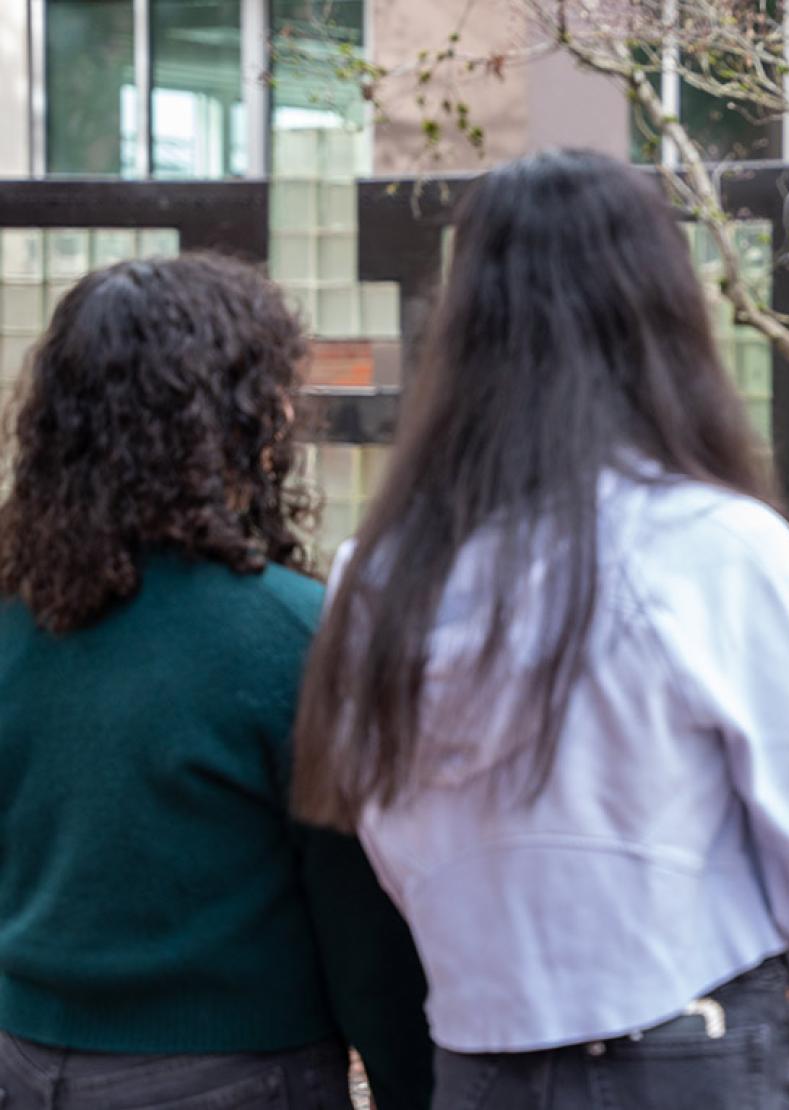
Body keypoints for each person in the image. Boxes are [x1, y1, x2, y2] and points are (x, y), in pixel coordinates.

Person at [290, 148, 789, 1110]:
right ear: (658, 311)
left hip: (482, 1057)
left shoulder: (379, 568)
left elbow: (397, 850)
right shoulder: (716, 544)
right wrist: (765, 1014)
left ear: (463, 320)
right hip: (698, 1040)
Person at [0, 253, 433, 1108]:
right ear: (239, 420)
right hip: (232, 1070)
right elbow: (361, 923)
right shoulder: (295, 634)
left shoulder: (13, 617)